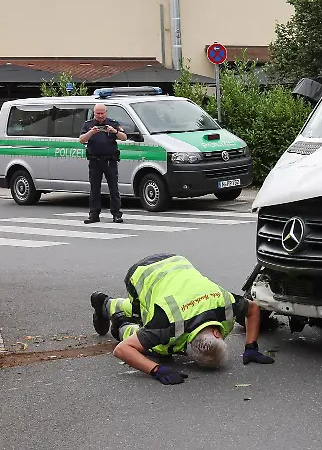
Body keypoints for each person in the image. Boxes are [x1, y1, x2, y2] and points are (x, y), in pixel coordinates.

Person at [90, 252, 275, 385]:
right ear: (216, 333)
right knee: (159, 349)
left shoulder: (224, 302)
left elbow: (252, 308)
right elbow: (122, 350)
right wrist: (156, 370)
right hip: (141, 274)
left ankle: (106, 303)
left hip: (175, 262)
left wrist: (251, 347)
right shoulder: (168, 323)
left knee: (153, 312)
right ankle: (120, 322)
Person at [78, 104, 126, 224]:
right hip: (95, 161)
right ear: (94, 113)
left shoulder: (113, 123)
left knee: (113, 188)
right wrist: (91, 133)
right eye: (97, 113)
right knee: (94, 189)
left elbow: (124, 137)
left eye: (102, 113)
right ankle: (94, 215)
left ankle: (116, 214)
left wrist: (114, 131)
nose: (100, 116)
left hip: (110, 161)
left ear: (106, 112)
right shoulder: (88, 124)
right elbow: (81, 140)